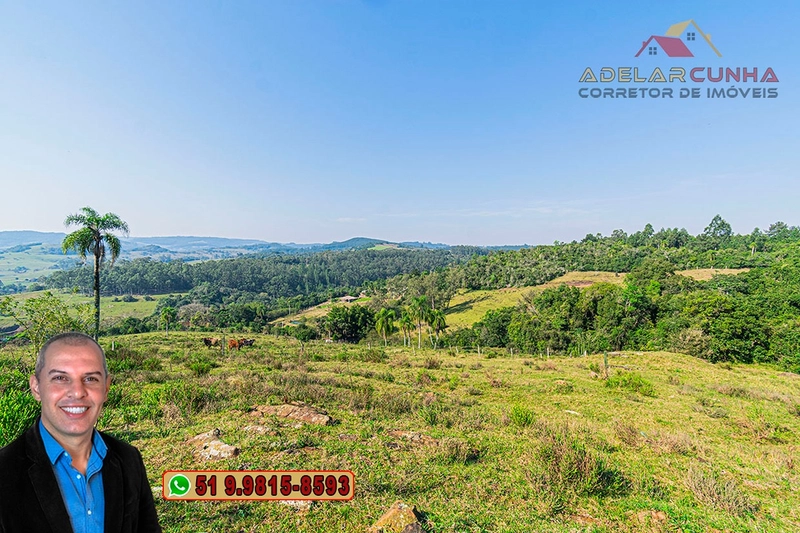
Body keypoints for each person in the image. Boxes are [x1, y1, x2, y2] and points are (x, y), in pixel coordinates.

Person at [0, 332, 161, 533]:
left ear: (106, 388)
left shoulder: (129, 459)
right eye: (60, 378)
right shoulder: (4, 471)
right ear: (36, 387)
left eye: (91, 378)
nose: (77, 392)